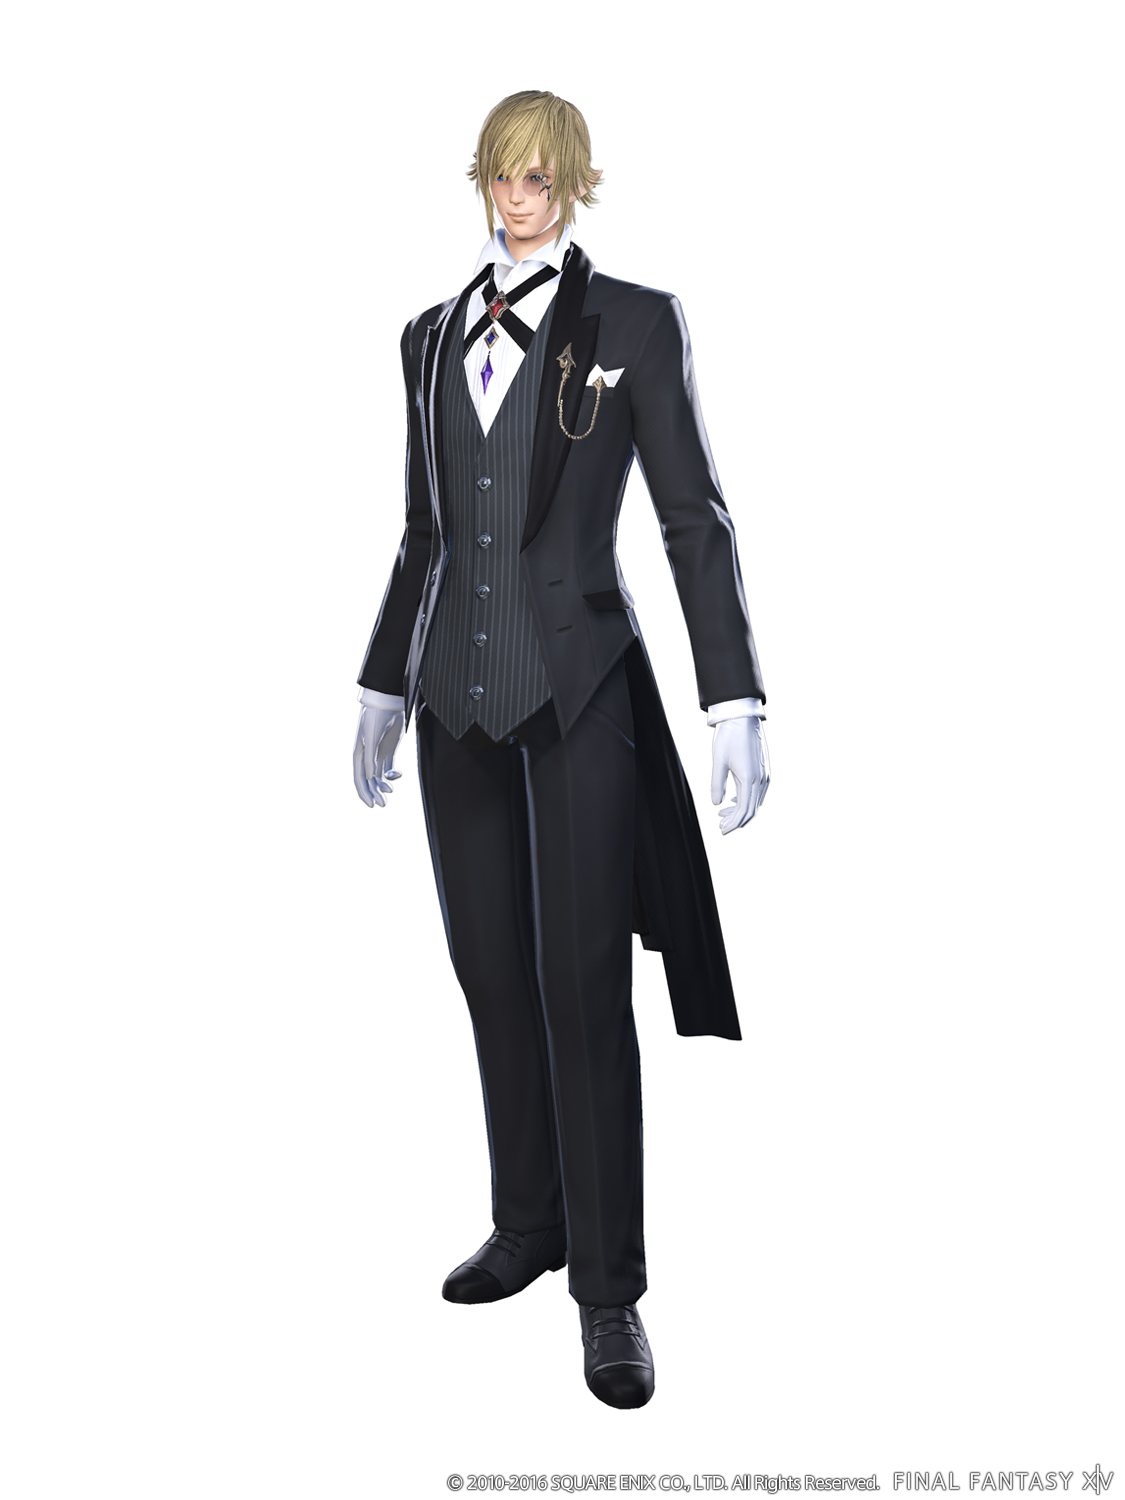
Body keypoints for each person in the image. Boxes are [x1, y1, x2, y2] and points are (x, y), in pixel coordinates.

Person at [352, 90, 769, 1409]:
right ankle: (527, 1223)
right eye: (501, 175)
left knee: (584, 991)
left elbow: (693, 520)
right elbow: (425, 530)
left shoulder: (632, 324)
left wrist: (734, 700)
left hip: (578, 690)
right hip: (454, 702)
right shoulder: (426, 337)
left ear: (575, 186)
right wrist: (381, 681)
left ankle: (608, 1292)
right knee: (490, 974)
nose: (517, 199)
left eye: (541, 179)